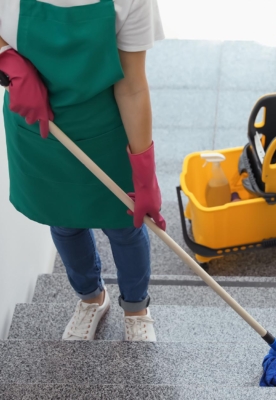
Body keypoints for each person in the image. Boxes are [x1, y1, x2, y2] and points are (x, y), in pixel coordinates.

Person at [0, 0, 166, 341]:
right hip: (39, 131)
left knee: (124, 224)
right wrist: (5, 58)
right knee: (63, 221)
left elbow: (132, 85)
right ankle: (92, 298)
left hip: (104, 129)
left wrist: (144, 172)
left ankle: (136, 308)